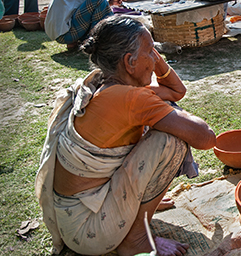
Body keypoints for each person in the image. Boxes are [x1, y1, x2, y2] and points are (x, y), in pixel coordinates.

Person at [36, 15, 216, 256]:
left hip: (75, 218)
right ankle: (135, 240)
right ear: (130, 62)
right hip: (90, 229)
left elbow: (176, 91)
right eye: (151, 51)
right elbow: (206, 137)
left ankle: (138, 204)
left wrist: (153, 57)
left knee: (168, 116)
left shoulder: (107, 86)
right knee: (173, 140)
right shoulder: (131, 98)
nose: (155, 58)